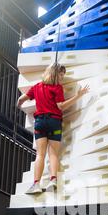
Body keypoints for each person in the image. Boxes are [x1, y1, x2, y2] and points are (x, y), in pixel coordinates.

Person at [17, 63, 89, 194]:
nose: (62, 77)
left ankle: (36, 184)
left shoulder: (37, 87)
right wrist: (78, 96)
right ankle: (53, 180)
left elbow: (21, 99)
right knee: (53, 154)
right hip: (54, 122)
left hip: (40, 123)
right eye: (61, 75)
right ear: (55, 74)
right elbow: (61, 106)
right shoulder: (57, 88)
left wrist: (19, 105)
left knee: (40, 154)